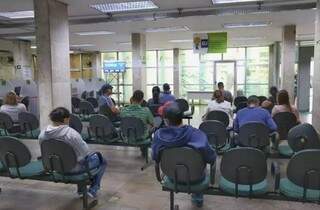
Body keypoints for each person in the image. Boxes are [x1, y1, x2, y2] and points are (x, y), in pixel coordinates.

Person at [152, 102, 216, 207]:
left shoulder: (159, 136)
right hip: (196, 177)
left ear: (166, 120)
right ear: (182, 118)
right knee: (200, 165)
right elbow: (211, 157)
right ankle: (198, 199)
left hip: (172, 175)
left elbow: (155, 156)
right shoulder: (197, 134)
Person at [39, 107, 107, 198]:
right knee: (101, 160)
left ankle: (82, 190)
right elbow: (85, 152)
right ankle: (93, 189)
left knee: (80, 158)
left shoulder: (42, 134)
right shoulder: (72, 134)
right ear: (66, 119)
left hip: (56, 168)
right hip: (74, 169)